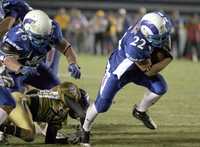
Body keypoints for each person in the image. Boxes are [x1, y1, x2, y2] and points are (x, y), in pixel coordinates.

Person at [80, 11, 173, 146]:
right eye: (160, 37)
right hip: (119, 72)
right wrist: (167, 60)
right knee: (102, 105)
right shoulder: (135, 46)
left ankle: (140, 111)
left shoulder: (147, 23)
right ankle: (85, 129)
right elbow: (148, 72)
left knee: (160, 87)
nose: (164, 39)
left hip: (137, 66)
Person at [0, 9, 81, 134]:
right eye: (38, 38)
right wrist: (20, 68)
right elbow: (7, 60)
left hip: (35, 66)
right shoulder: (15, 37)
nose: (43, 42)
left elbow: (65, 46)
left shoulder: (53, 28)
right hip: (12, 72)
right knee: (13, 104)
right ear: (27, 32)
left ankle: (48, 127)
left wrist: (73, 63)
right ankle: (4, 130)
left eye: (45, 38)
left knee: (59, 92)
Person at [0, 81, 89, 144]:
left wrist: (67, 140)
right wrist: (85, 136)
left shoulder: (61, 115)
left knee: (27, 133)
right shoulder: (67, 93)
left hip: (19, 103)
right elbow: (82, 114)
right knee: (29, 135)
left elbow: (49, 141)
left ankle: (2, 131)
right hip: (20, 102)